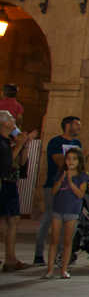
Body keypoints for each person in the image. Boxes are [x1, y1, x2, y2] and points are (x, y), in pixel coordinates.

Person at [34, 116, 86, 266]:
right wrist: (74, 161)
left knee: (68, 220)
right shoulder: (55, 142)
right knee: (49, 217)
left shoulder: (77, 143)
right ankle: (38, 254)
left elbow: (78, 165)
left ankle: (61, 256)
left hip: (72, 187)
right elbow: (59, 161)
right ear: (67, 125)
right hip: (55, 184)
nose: (79, 128)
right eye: (77, 125)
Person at [45, 148, 88, 279]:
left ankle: (64, 270)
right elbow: (53, 191)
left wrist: (70, 181)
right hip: (58, 210)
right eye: (68, 158)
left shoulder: (82, 176)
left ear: (79, 161)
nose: (71, 161)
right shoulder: (60, 173)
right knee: (54, 240)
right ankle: (50, 270)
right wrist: (62, 178)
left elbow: (80, 194)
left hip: (72, 211)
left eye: (74, 159)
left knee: (67, 242)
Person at [0, 111, 32, 271]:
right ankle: (8, 258)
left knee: (13, 220)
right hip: (2, 184)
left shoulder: (10, 140)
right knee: (5, 222)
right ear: (4, 123)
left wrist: (24, 145)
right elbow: (5, 163)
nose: (14, 120)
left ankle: (10, 259)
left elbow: (20, 163)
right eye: (11, 118)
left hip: (11, 183)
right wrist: (19, 145)